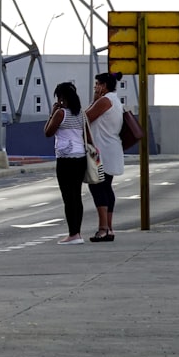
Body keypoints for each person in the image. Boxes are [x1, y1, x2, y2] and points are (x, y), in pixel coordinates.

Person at [45, 81, 87, 245]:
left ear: (61, 98)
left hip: (65, 160)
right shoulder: (81, 114)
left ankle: (73, 234)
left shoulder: (60, 113)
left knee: (68, 197)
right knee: (77, 196)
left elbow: (48, 132)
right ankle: (78, 232)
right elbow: (86, 137)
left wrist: (52, 113)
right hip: (80, 158)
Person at [85, 71, 125, 241]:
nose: (95, 87)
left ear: (103, 86)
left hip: (102, 150)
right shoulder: (115, 101)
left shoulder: (104, 101)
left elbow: (84, 119)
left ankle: (103, 228)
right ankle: (108, 227)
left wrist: (95, 99)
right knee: (106, 187)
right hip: (112, 148)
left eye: (96, 84)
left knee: (98, 187)